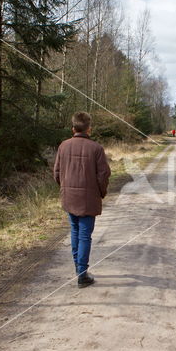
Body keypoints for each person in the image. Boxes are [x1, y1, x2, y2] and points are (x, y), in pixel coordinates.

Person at [54, 112, 111, 288]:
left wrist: (64, 188)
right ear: (89, 129)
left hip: (69, 198)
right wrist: (101, 193)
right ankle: (82, 274)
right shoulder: (96, 148)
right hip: (87, 199)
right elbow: (103, 175)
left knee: (75, 232)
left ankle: (79, 269)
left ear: (73, 128)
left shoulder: (63, 146)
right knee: (85, 235)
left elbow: (56, 172)